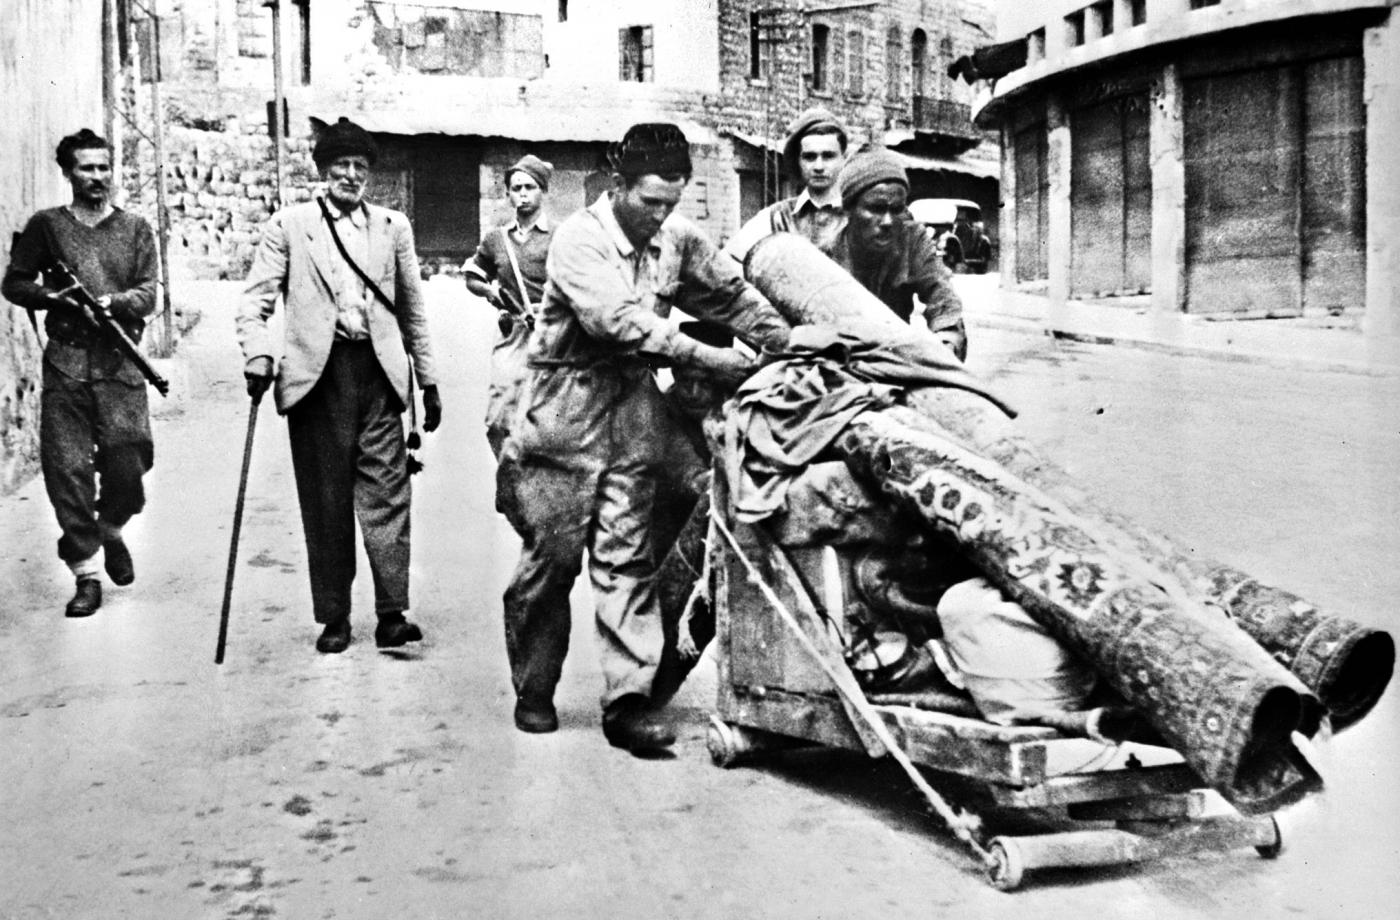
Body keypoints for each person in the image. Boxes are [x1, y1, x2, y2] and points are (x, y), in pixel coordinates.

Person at [500, 123, 791, 751]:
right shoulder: (579, 241)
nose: (660, 216)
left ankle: (627, 703)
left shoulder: (676, 238)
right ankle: (533, 687)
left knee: (625, 557)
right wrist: (712, 361)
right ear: (618, 185)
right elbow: (619, 322)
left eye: (671, 203)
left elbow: (731, 296)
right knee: (550, 563)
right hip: (564, 415)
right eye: (649, 202)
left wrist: (788, 343)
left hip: (631, 412)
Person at [238, 117, 442, 654]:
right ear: (323, 170)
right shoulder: (289, 225)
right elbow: (254, 302)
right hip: (317, 380)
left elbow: (413, 311)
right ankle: (334, 615)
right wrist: (259, 355)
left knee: (388, 495)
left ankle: (392, 613)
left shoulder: (393, 227)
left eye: (360, 166)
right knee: (326, 503)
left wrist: (429, 379)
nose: (351, 175)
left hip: (377, 376)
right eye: (341, 166)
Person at [2, 129, 158, 618]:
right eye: (87, 168)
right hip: (67, 361)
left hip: (120, 362)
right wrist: (53, 298)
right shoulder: (46, 227)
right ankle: (86, 571)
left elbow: (151, 292)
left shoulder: (135, 229)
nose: (98, 177)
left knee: (128, 464)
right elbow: (15, 282)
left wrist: (113, 303)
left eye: (104, 167)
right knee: (66, 469)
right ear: (68, 172)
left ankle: (111, 528)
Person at [828, 147, 968, 360]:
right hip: (837, 358)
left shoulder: (912, 239)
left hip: (894, 358)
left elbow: (943, 299)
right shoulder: (823, 246)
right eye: (875, 208)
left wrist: (946, 347)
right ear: (848, 209)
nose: (887, 221)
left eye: (896, 210)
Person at [463, 154, 555, 458]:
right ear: (508, 194)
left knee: (550, 415)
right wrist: (490, 293)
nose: (523, 194)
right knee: (499, 415)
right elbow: (473, 276)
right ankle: (508, 479)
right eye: (516, 188)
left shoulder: (561, 236)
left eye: (530, 187)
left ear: (543, 190)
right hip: (513, 333)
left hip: (554, 334)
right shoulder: (496, 239)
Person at [724, 107, 848, 262]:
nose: (818, 166)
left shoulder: (858, 215)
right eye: (809, 157)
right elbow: (726, 264)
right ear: (798, 161)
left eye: (828, 156)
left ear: (844, 158)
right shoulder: (776, 217)